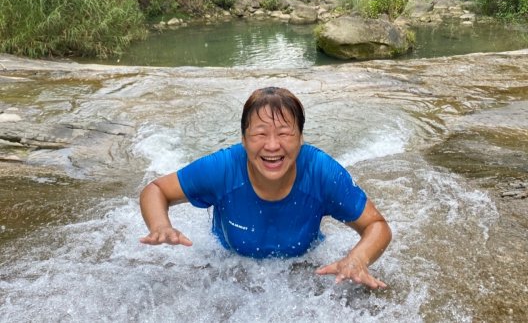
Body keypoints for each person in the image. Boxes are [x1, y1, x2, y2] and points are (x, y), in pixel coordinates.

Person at [139, 87, 392, 289]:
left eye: (284, 133)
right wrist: (160, 226)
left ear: (301, 138)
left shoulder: (321, 172)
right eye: (260, 134)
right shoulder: (223, 168)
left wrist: (357, 259)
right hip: (229, 261)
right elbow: (156, 190)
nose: (272, 146)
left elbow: (377, 226)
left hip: (302, 263)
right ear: (244, 140)